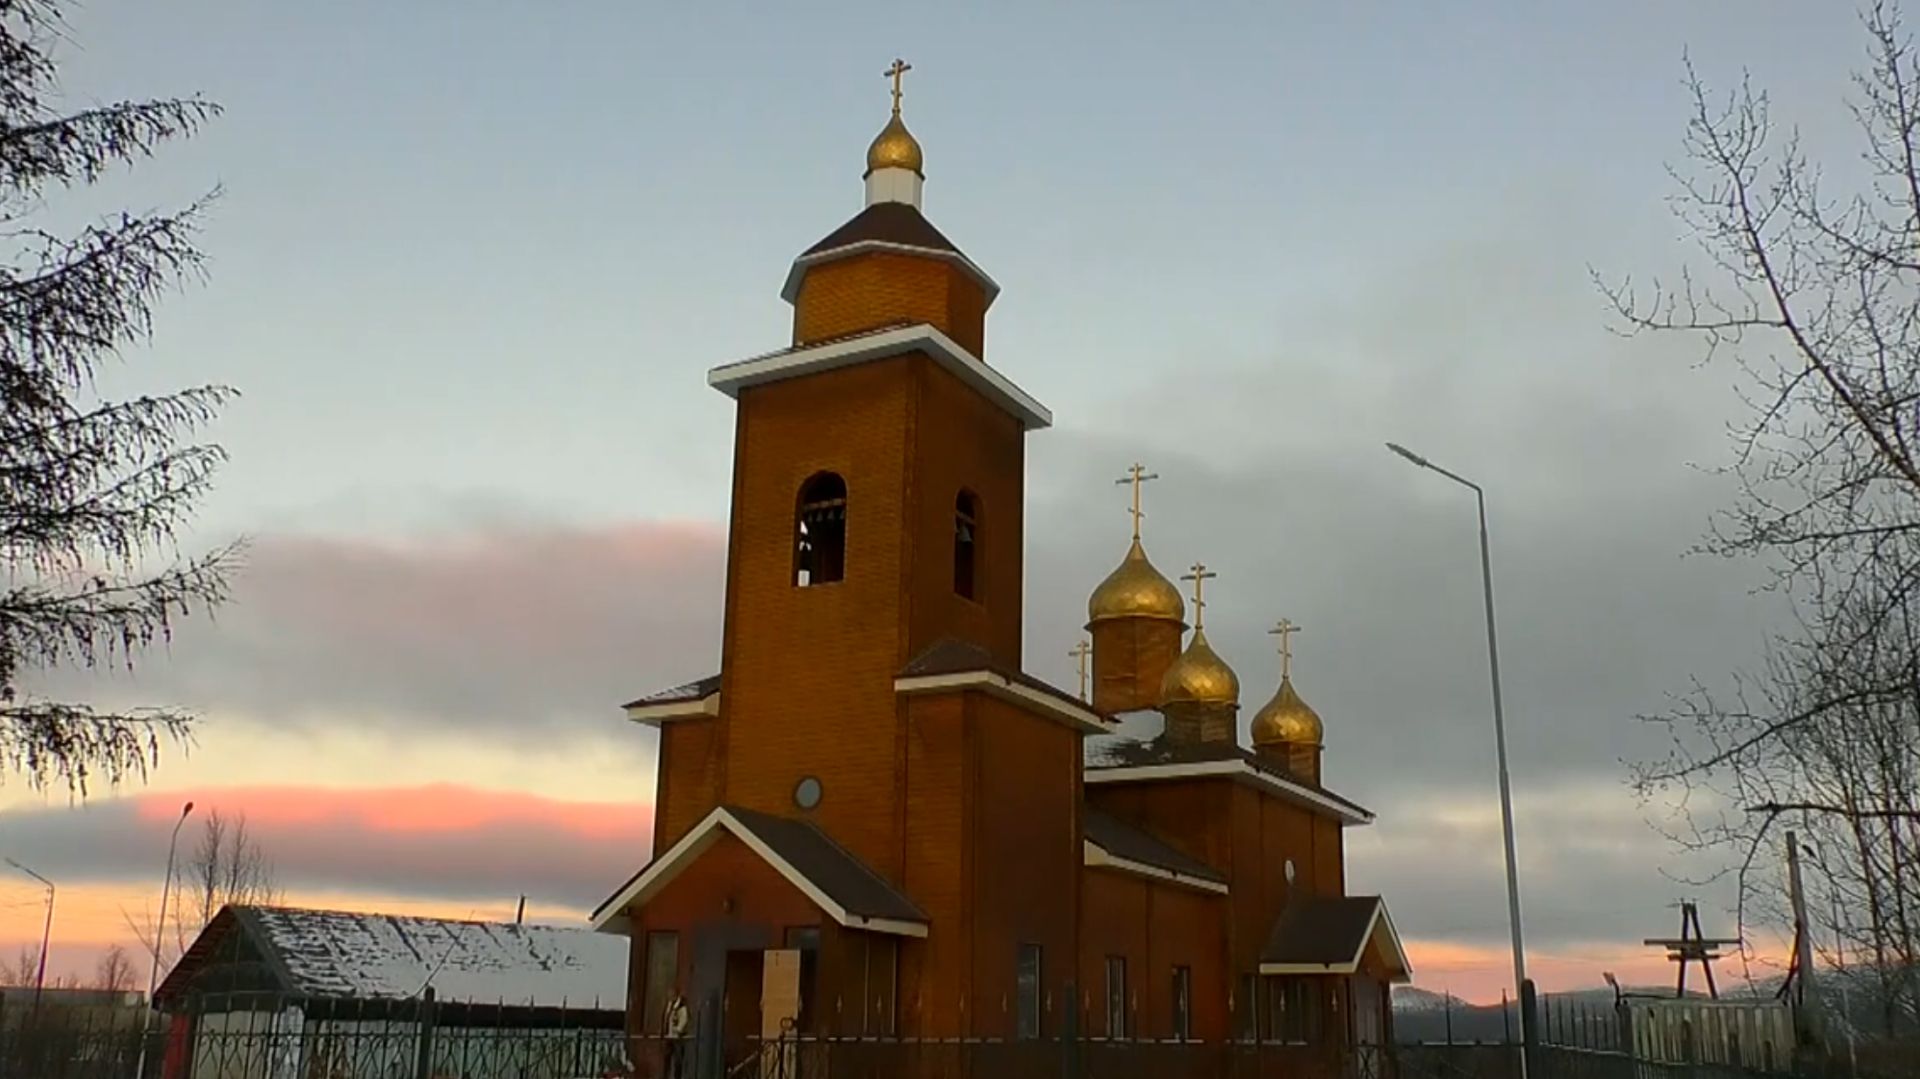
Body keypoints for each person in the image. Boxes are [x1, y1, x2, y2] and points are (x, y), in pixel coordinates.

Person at [663, 986, 691, 1079]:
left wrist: (678, 1030)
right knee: (666, 1058)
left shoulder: (682, 1005)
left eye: (671, 994)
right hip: (669, 1036)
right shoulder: (670, 1004)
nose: (669, 996)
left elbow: (684, 1019)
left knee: (678, 1061)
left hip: (678, 1038)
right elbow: (667, 1017)